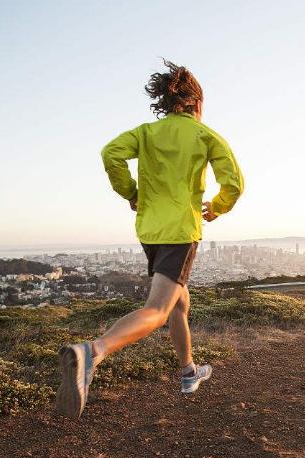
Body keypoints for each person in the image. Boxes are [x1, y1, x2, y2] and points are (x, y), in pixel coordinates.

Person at [55, 60, 244, 419]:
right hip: (181, 232)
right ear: (197, 104)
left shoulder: (145, 133)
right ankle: (91, 353)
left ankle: (189, 372)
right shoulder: (206, 136)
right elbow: (233, 184)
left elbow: (110, 153)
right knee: (157, 310)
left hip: (150, 232)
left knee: (178, 304)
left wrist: (130, 192)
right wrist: (218, 207)